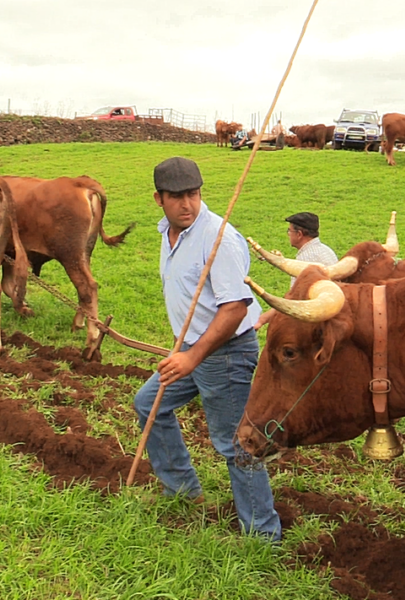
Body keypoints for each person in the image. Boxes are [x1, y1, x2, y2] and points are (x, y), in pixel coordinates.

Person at [133, 156, 281, 542]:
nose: (187, 205)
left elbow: (234, 308)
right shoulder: (169, 232)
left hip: (226, 353)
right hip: (193, 349)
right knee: (149, 404)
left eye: (193, 195)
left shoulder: (220, 238)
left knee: (237, 444)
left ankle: (262, 534)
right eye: (177, 197)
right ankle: (182, 490)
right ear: (158, 199)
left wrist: (192, 357)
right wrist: (186, 350)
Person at [254, 212, 338, 330]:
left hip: (316, 322)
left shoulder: (306, 258)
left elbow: (293, 299)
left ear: (299, 234)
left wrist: (261, 320)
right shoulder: (325, 250)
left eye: (289, 231)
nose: (288, 234)